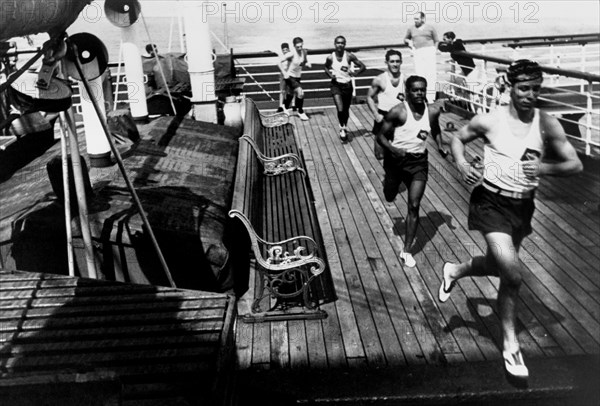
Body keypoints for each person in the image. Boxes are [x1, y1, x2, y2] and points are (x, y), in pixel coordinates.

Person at [441, 59, 583, 382]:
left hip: (522, 208)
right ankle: (510, 344)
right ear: (509, 85)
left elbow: (575, 165)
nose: (530, 95)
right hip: (490, 203)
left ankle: (455, 270)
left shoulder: (546, 124)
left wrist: (545, 169)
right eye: (523, 88)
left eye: (536, 89)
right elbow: (457, 139)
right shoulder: (490, 121)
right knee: (514, 275)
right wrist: (461, 163)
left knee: (497, 266)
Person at [375, 75, 445, 267]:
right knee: (389, 195)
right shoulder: (398, 112)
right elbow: (380, 136)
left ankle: (406, 251)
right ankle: (392, 186)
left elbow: (436, 129)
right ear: (407, 92)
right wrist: (393, 150)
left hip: (418, 162)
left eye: (422, 89)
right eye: (415, 90)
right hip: (396, 160)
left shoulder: (431, 112)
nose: (419, 93)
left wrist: (440, 146)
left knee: (414, 205)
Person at [324, 35, 366, 141]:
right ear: (334, 44)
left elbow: (363, 66)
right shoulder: (330, 57)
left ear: (345, 45)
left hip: (347, 85)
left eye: (342, 43)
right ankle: (342, 128)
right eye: (338, 43)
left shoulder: (349, 56)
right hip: (336, 85)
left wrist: (356, 73)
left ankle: (344, 126)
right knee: (340, 108)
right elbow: (325, 67)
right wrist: (330, 75)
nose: (340, 45)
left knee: (346, 109)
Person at [367, 49, 406, 160]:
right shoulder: (379, 80)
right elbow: (369, 97)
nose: (395, 64)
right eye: (392, 61)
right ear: (386, 62)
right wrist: (375, 114)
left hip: (399, 118)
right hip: (383, 117)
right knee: (379, 155)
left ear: (401, 62)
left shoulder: (406, 79)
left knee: (400, 154)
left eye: (397, 61)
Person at [404, 12, 439, 101]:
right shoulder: (411, 29)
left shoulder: (430, 28)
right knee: (419, 74)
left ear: (423, 19)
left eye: (417, 19)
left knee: (431, 75)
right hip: (418, 52)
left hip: (429, 51)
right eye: (414, 19)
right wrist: (408, 42)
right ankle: (421, 97)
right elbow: (405, 38)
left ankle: (431, 98)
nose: (415, 21)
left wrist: (435, 50)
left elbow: (436, 40)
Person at [280, 37, 311, 120]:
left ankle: (284, 106)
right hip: (290, 76)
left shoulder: (304, 52)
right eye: (298, 47)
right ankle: (300, 111)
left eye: (301, 46)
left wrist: (307, 64)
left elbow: (304, 62)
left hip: (298, 77)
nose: (300, 48)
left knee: (290, 94)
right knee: (300, 93)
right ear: (294, 46)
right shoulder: (291, 54)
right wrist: (284, 73)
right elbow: (278, 62)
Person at [277, 42, 292, 113]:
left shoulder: (291, 55)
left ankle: (291, 105)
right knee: (282, 91)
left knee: (290, 91)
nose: (285, 51)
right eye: (283, 50)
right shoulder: (281, 56)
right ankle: (280, 106)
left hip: (290, 74)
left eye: (286, 49)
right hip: (283, 74)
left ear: (289, 49)